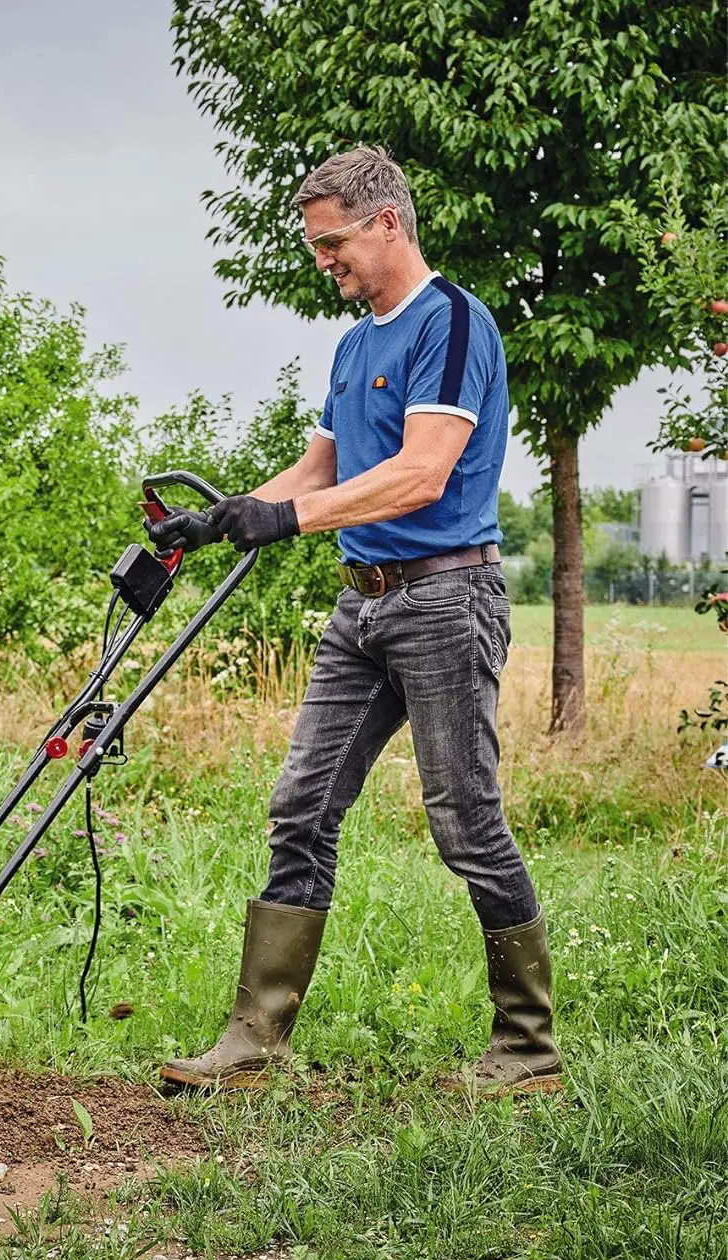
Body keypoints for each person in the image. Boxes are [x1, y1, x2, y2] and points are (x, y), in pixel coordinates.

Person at [151, 146, 561, 1095]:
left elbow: (421, 473)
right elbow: (316, 475)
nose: (322, 259)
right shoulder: (352, 344)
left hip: (447, 600)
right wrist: (222, 517)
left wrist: (287, 519)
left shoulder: (453, 324)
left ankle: (529, 1048)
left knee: (465, 821)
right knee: (300, 809)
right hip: (363, 607)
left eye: (331, 240)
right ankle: (253, 1044)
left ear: (386, 223)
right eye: (314, 244)